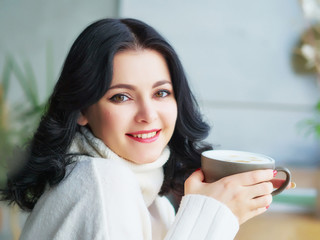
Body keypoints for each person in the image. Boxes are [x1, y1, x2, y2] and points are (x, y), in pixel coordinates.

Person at [1, 18, 292, 240]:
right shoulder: (101, 183)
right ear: (82, 109)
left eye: (161, 93)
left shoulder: (154, 201)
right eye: (121, 97)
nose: (148, 115)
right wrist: (213, 215)